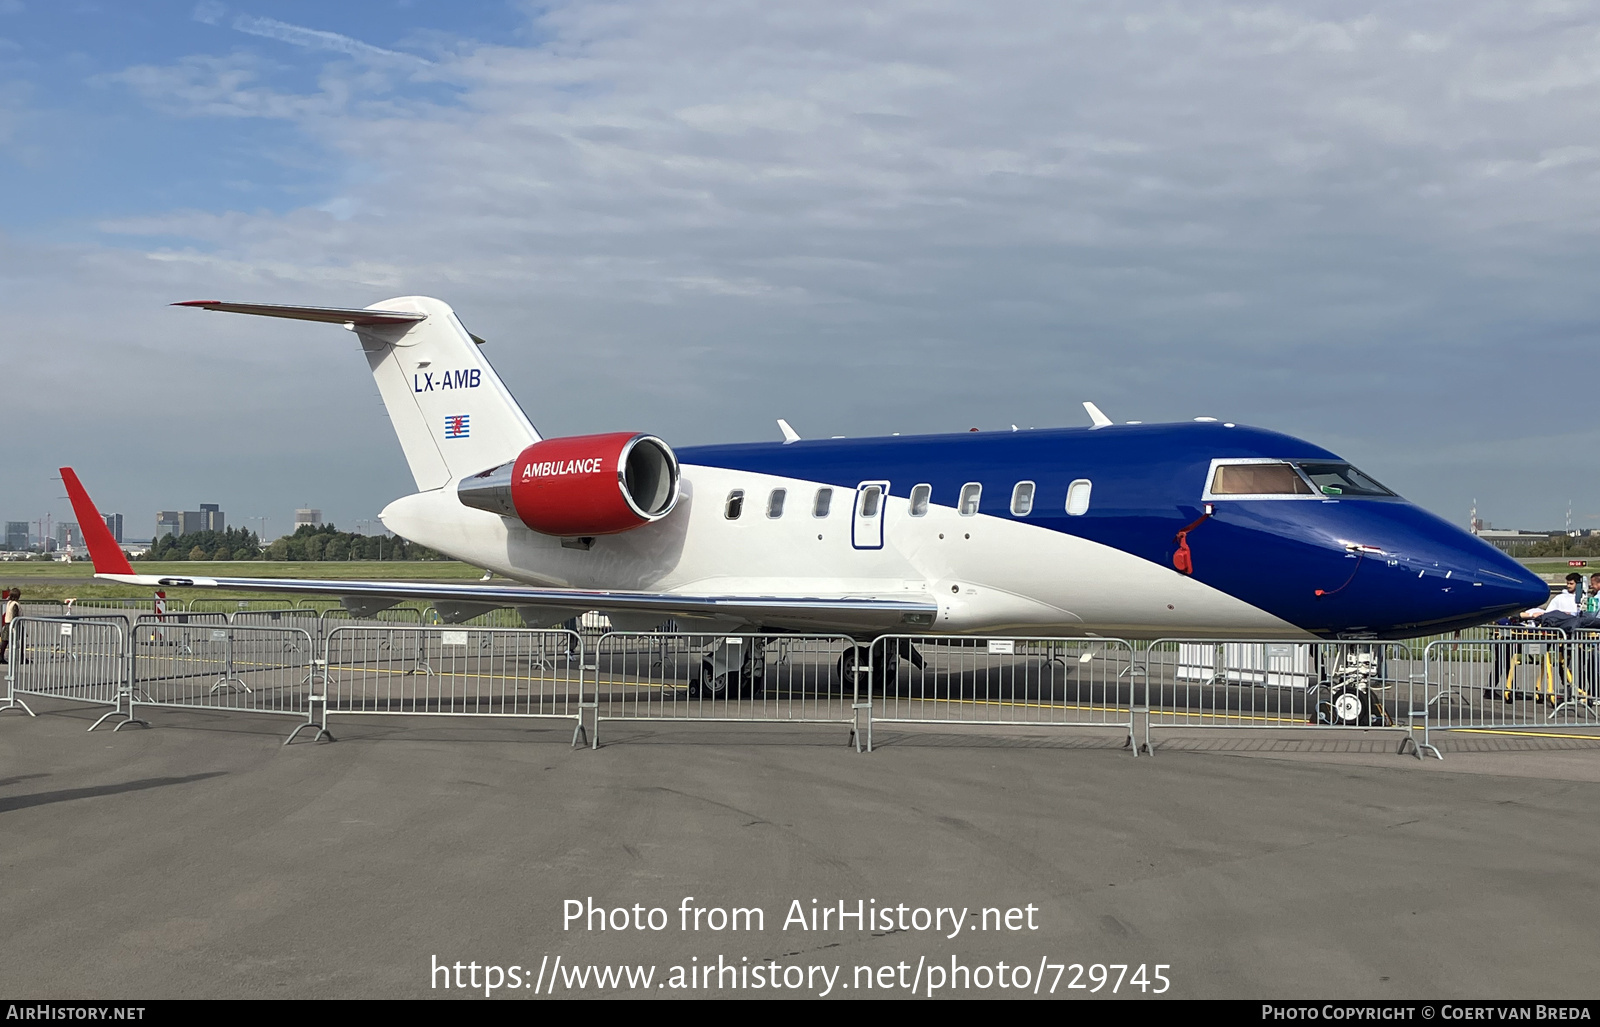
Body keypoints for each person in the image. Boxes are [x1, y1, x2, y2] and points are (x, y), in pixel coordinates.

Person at [0, 588, 17, 665]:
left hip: (7, 624)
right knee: (9, 641)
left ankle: (1, 656)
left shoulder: (9, 603)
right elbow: (15, 616)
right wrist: (15, 626)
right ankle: (19, 657)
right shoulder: (14, 604)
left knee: (5, 641)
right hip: (12, 624)